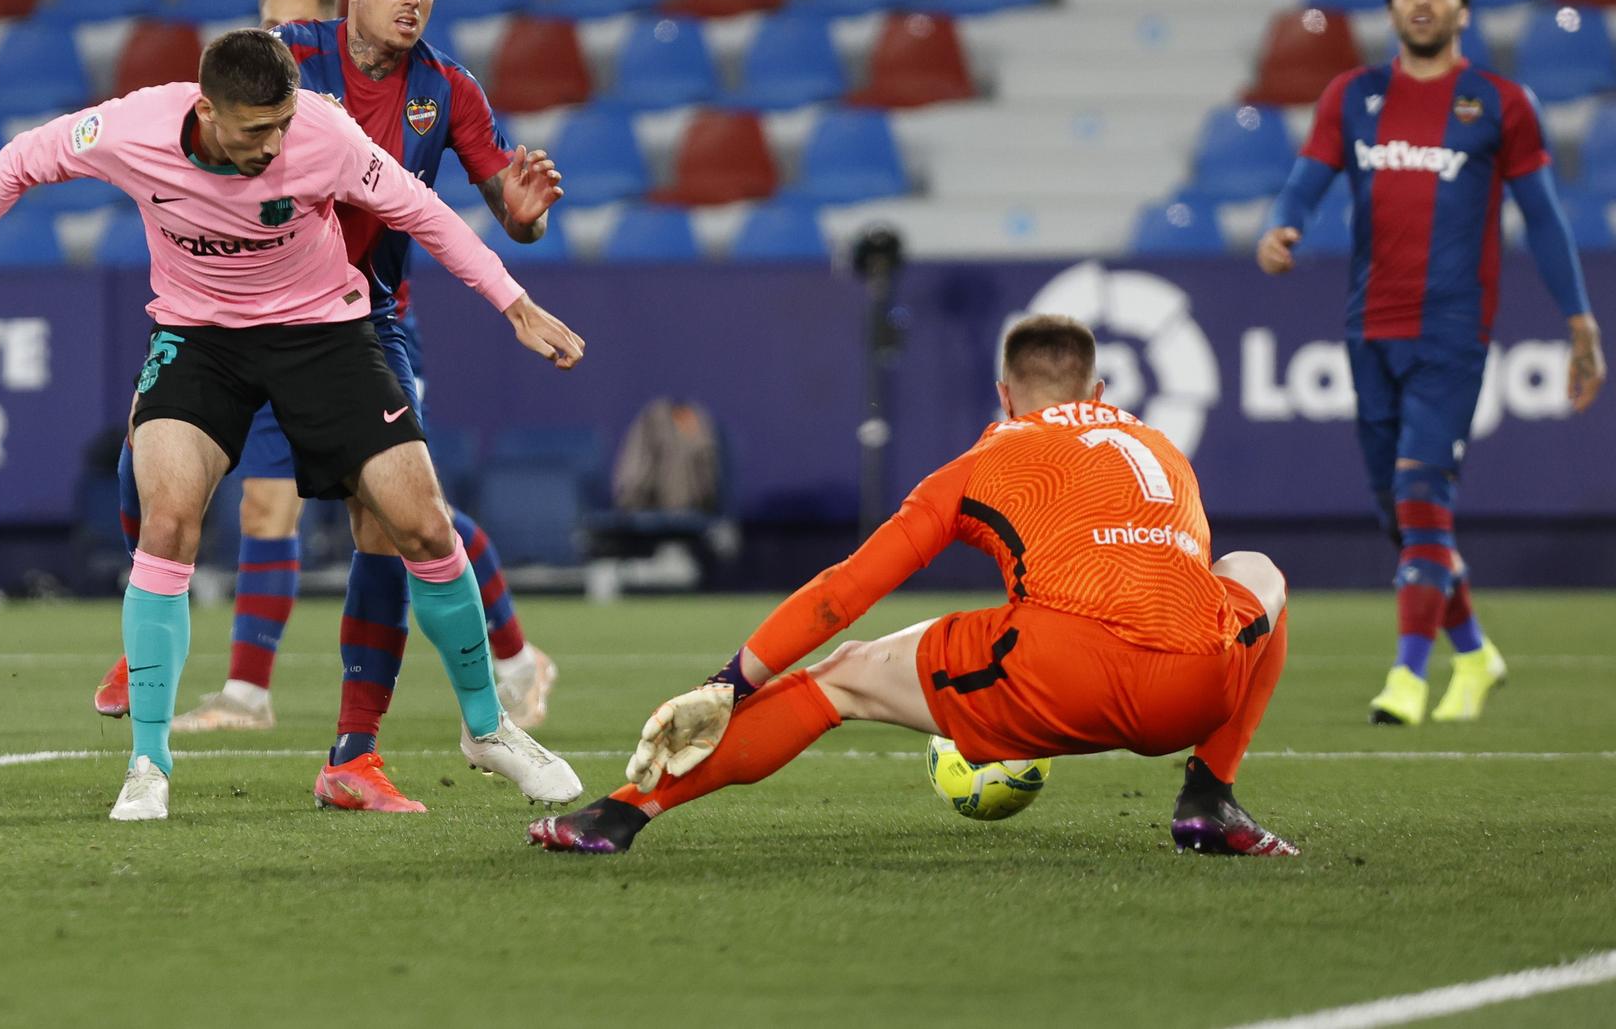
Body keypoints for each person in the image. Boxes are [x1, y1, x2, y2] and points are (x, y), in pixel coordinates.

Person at [0, 29, 585, 821]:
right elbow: (19, 160)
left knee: (421, 522)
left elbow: (422, 212)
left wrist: (513, 303)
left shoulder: (323, 133)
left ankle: (488, 728)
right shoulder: (134, 129)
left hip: (321, 332)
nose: (274, 144)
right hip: (198, 337)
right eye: (255, 130)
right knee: (169, 519)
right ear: (207, 109)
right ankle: (148, 761)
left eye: (283, 124)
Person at [530, 315, 1297, 858]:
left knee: (844, 677)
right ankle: (1209, 797)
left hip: (1066, 674)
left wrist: (729, 682)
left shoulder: (983, 461)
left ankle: (619, 816)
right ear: (1098, 392)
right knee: (1259, 572)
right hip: (1199, 685)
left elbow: (848, 588)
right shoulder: (1161, 447)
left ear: (1005, 395)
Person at [96, 0, 561, 806]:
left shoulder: (449, 89)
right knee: (156, 475)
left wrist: (524, 228)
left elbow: (485, 207)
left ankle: (356, 747)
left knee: (402, 515)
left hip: (366, 322)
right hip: (238, 314)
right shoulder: (289, 63)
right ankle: (168, 647)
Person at [1257, 0, 1604, 726]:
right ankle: (1476, 653)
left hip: (1451, 332)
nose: (1423, 1)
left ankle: (1408, 676)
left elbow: (1543, 218)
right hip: (1368, 328)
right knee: (1400, 513)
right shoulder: (1352, 96)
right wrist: (1281, 226)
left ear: (1462, 9)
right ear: (1391, 8)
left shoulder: (1500, 103)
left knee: (1419, 490)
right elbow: (1308, 177)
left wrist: (1580, 321)